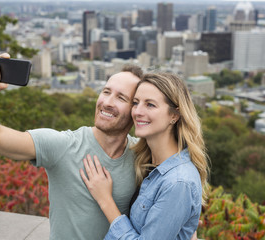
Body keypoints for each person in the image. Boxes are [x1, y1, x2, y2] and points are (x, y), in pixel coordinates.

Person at [0, 53, 143, 240]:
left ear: (136, 109)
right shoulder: (64, 145)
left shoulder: (142, 154)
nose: (107, 102)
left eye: (121, 98)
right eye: (106, 92)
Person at [80, 72, 209, 239]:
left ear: (174, 115)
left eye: (150, 105)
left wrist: (105, 200)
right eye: (135, 103)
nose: (137, 112)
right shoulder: (147, 161)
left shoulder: (178, 182)